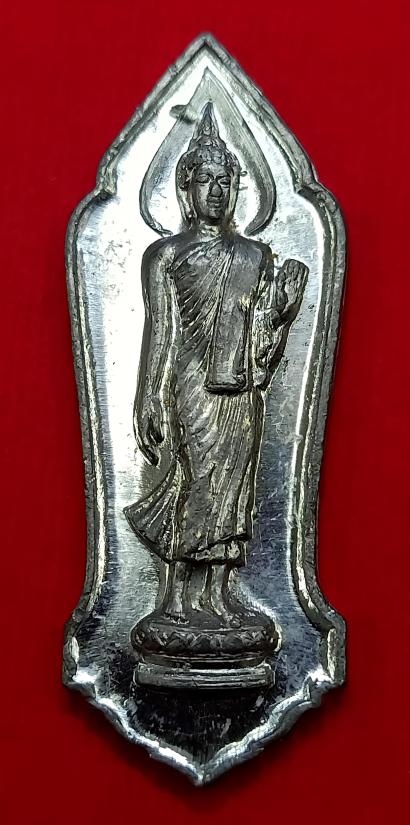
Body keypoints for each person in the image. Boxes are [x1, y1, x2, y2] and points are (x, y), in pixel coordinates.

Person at [125, 102, 308, 627]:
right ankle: (175, 597)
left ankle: (219, 594)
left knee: (235, 487)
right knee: (200, 481)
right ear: (186, 188)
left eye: (225, 181)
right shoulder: (165, 255)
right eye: (205, 180)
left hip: (242, 389)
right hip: (192, 385)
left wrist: (282, 309)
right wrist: (148, 396)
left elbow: (264, 343)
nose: (216, 191)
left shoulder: (255, 256)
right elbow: (160, 331)